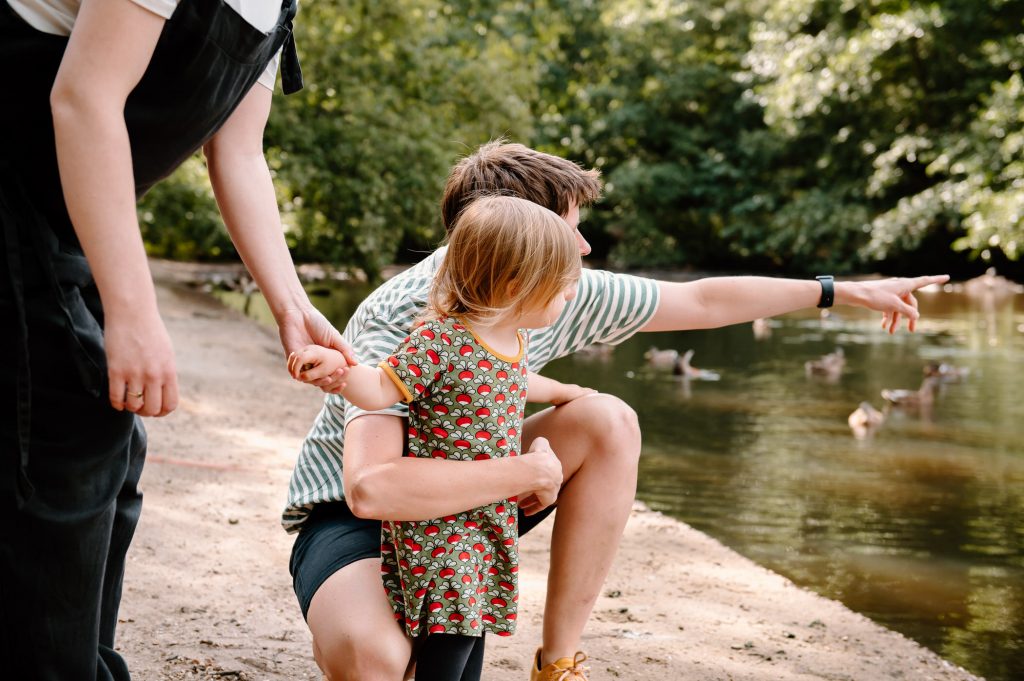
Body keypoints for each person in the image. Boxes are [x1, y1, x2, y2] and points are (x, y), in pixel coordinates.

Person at [284, 140, 949, 681]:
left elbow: (704, 302)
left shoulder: (563, 292)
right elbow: (374, 488)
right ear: (517, 243)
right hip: (353, 520)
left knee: (609, 418)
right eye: (572, 230)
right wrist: (526, 471)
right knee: (376, 658)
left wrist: (848, 291)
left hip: (467, 508)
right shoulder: (410, 318)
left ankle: (558, 662)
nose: (586, 250)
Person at [0, 1, 350, 679]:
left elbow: (240, 152)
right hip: (13, 182)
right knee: (62, 433)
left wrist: (291, 303)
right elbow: (84, 99)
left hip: (57, 205)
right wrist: (133, 310)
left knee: (113, 439)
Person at [289, 195, 596, 681]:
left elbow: (516, 381)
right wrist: (339, 370)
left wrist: (567, 391)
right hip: (441, 525)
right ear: (517, 286)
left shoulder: (511, 340)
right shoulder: (441, 339)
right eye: (562, 288)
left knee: (471, 633)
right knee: (449, 643)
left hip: (482, 518)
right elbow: (380, 388)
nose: (570, 297)